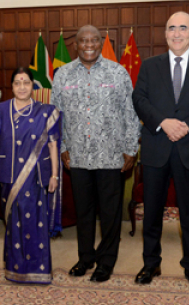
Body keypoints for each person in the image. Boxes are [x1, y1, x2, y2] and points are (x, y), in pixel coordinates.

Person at [132, 12, 189, 292]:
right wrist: (163, 122)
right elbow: (139, 98)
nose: (177, 32)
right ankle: (150, 263)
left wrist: (186, 126)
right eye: (172, 28)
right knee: (152, 210)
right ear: (165, 34)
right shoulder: (149, 66)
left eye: (183, 28)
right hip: (157, 147)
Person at [51, 25, 140, 282]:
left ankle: (106, 261)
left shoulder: (118, 72)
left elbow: (130, 112)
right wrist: (62, 147)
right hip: (76, 155)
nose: (88, 44)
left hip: (111, 155)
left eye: (94, 40)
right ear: (75, 45)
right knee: (84, 211)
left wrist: (130, 148)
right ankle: (85, 257)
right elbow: (56, 115)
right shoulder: (62, 75)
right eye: (83, 40)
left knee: (111, 212)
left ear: (101, 43)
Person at [0, 67, 62, 284]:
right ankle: (16, 270)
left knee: (36, 222)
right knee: (13, 224)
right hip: (8, 176)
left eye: (26, 82)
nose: (22, 87)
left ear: (33, 86)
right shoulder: (2, 109)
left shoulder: (46, 112)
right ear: (11, 87)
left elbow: (53, 145)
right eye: (17, 83)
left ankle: (39, 270)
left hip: (37, 177)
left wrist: (55, 175)